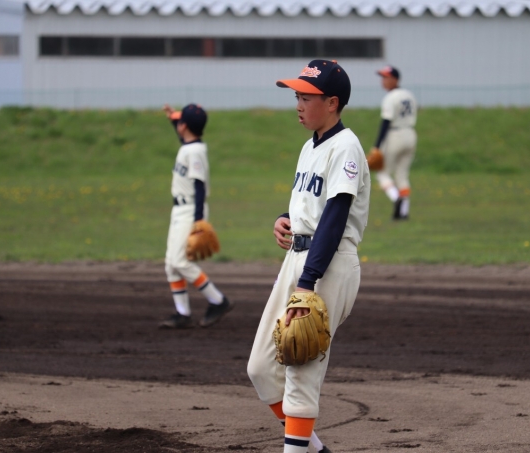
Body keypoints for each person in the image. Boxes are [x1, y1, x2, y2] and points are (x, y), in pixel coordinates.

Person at [247, 60, 370, 453]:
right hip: (299, 260)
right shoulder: (310, 145)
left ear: (332, 103)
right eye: (297, 96)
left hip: (328, 264)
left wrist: (307, 283)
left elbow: (335, 216)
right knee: (261, 368)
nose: (298, 104)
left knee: (300, 371)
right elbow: (310, 206)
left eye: (306, 97)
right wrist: (285, 219)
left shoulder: (345, 146)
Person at [159, 103, 233, 329]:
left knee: (179, 262)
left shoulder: (195, 152)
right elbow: (184, 135)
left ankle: (218, 301)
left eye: (180, 122)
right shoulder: (189, 146)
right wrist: (173, 119)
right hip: (180, 210)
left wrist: (199, 220)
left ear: (185, 126)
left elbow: (199, 186)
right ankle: (182, 313)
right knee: (171, 264)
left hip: (190, 211)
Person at [371, 65, 418, 220]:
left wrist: (377, 146)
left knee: (382, 173)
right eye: (382, 77)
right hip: (410, 134)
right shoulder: (409, 95)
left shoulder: (390, 97)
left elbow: (386, 122)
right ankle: (403, 212)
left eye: (386, 77)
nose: (383, 81)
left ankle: (396, 197)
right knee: (402, 175)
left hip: (395, 135)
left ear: (395, 79)